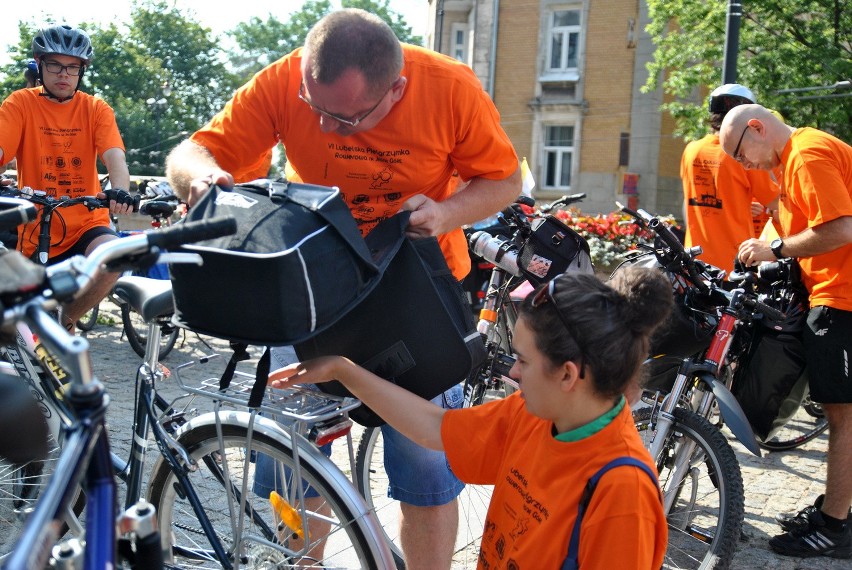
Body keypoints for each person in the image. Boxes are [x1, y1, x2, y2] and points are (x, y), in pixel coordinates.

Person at [165, 9, 520, 569]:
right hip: (312, 292)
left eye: (349, 119)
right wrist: (202, 178)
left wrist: (448, 211)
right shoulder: (283, 80)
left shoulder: (449, 88)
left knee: (426, 469)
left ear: (397, 88)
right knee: (291, 461)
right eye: (317, 110)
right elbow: (190, 153)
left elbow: (505, 179)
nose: (328, 129)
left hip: (414, 291)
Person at [267, 267, 671, 568]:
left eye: (524, 361)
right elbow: (436, 428)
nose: (513, 372)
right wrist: (344, 371)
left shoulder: (622, 490)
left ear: (568, 374)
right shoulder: (535, 414)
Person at [726, 104, 852, 560]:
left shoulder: (808, 154)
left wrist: (775, 248)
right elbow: (790, 217)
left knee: (843, 416)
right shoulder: (795, 155)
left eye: (742, 156)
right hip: (832, 292)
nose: (747, 167)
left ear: (756, 128)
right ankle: (836, 512)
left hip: (843, 296)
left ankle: (835, 526)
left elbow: (840, 228)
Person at [0, 24, 134, 334]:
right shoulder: (20, 103)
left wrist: (121, 191)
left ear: (81, 71)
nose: (64, 74)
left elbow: (115, 156)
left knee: (114, 257)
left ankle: (67, 322)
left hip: (86, 219)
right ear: (40, 64)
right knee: (21, 321)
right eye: (55, 65)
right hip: (34, 223)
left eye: (73, 67)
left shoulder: (95, 109)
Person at [680, 83, 779, 275]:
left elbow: (691, 200)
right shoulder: (745, 153)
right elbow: (776, 201)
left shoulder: (691, 150)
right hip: (733, 264)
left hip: (694, 262)